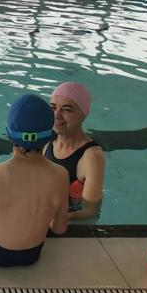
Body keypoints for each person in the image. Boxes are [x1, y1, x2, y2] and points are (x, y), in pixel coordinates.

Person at [0, 94, 69, 267]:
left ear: (8, 134)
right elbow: (59, 228)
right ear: (49, 136)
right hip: (32, 255)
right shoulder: (61, 174)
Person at [45, 82, 105, 221]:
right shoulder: (46, 141)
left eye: (67, 109)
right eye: (53, 108)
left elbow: (90, 211)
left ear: (83, 114)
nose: (57, 115)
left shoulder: (92, 157)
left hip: (72, 226)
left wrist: (54, 218)